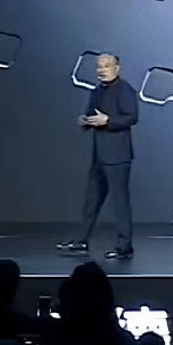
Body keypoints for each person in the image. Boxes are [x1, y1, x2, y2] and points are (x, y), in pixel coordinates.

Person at [56, 53, 139, 259]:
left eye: (106, 66)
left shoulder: (125, 90)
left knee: (120, 202)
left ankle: (125, 246)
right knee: (91, 201)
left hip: (118, 156)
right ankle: (81, 241)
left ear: (117, 68)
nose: (102, 70)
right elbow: (92, 116)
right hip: (99, 155)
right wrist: (85, 121)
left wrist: (108, 121)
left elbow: (131, 117)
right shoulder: (97, 91)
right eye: (99, 67)